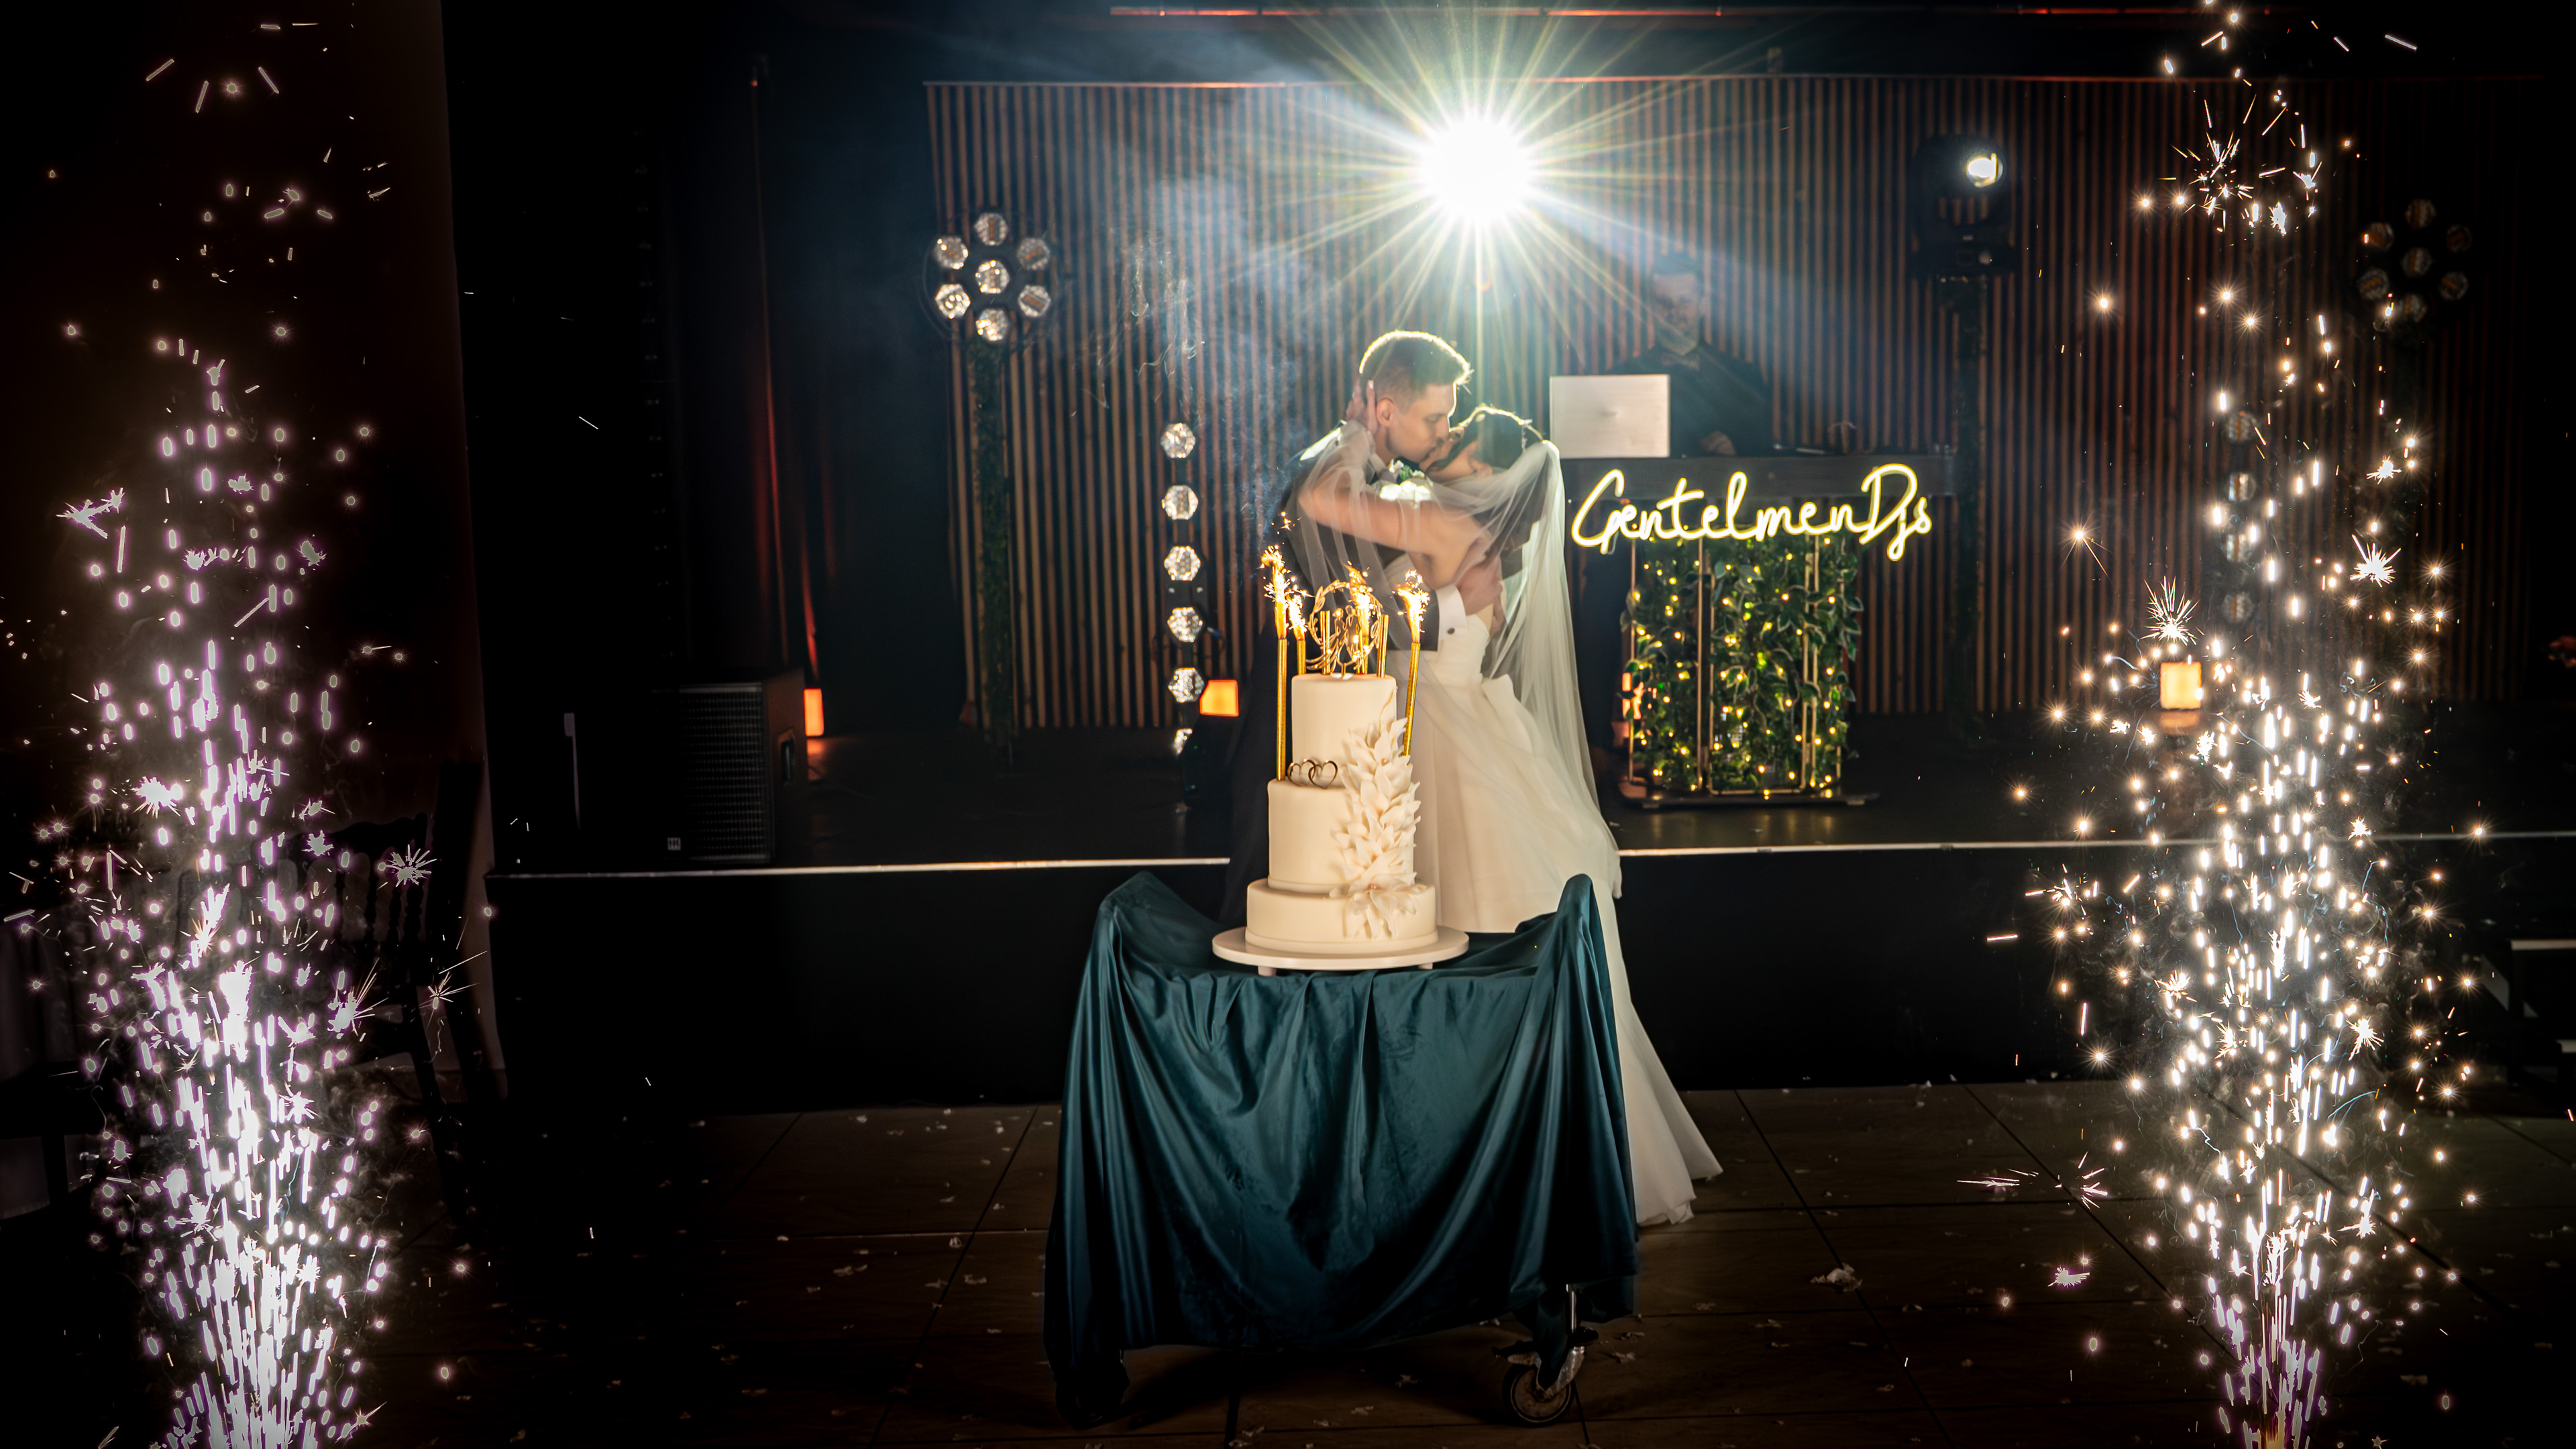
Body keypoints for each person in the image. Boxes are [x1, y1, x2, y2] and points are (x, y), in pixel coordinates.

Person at [1273, 349, 1723, 1225]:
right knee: (1474, 945)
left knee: (1451, 940)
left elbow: (1321, 500)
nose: (1443, 441)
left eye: (1457, 436)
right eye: (1441, 422)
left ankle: (1476, 1149)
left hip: (1441, 738)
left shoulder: (1440, 521)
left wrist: (1356, 436)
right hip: (1469, 724)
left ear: (1487, 474)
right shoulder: (1475, 539)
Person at [1610, 251, 1775, 458]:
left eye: (1684, 300)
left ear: (1703, 306)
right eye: (1663, 302)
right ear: (1650, 308)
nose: (1674, 310)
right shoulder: (1622, 379)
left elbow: (1766, 459)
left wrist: (1736, 452)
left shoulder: (1745, 378)